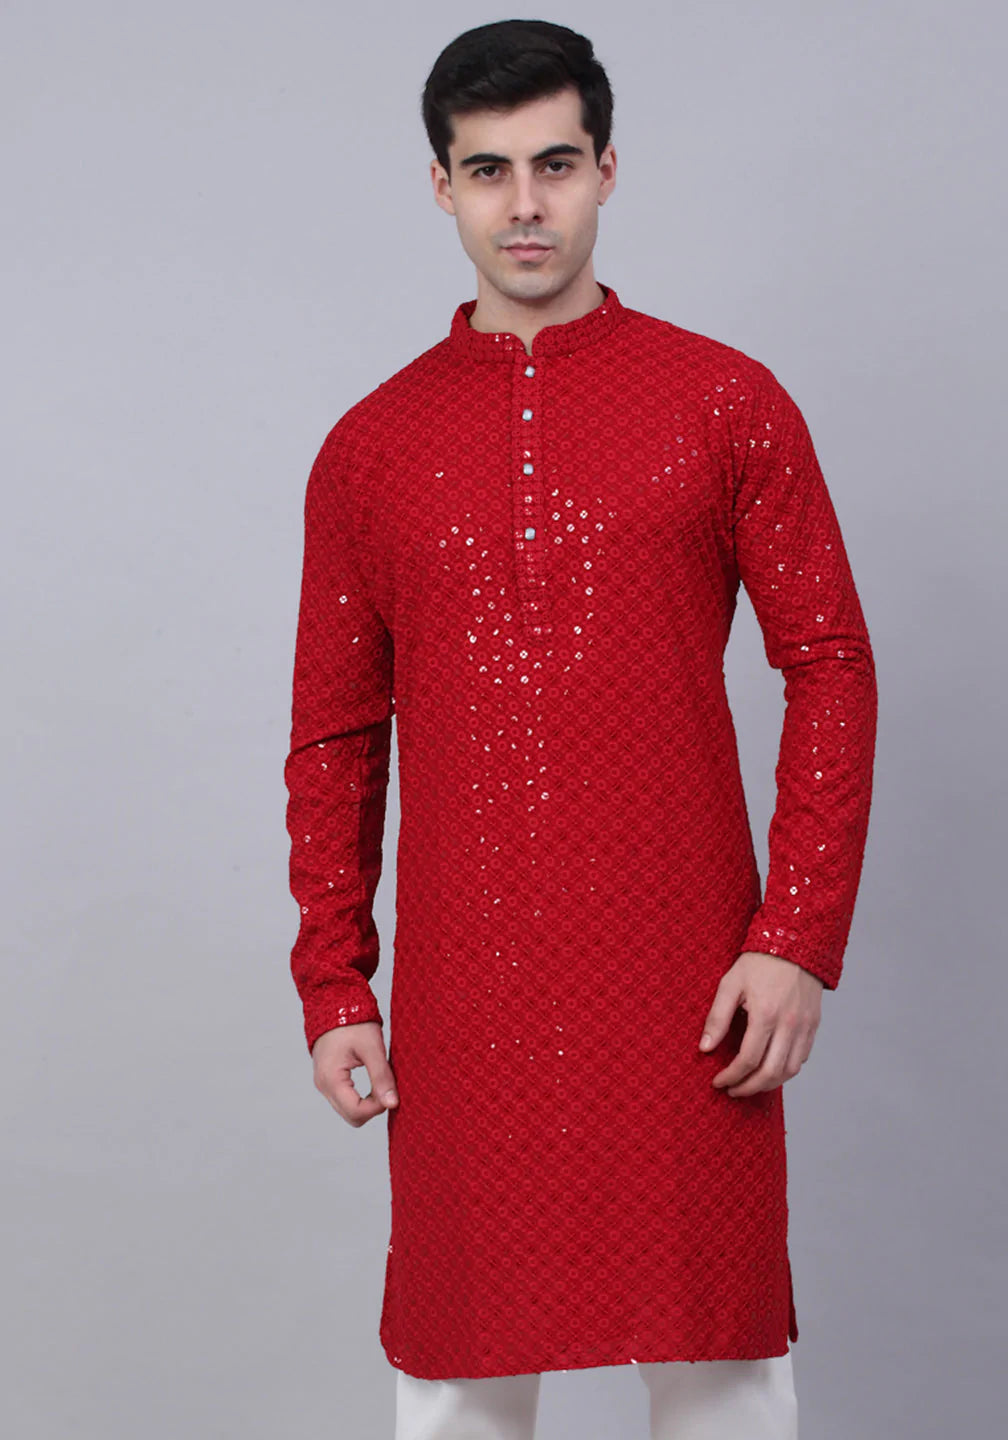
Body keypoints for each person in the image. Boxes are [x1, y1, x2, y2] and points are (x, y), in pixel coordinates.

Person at [283, 19, 877, 1440]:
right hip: (466, 997)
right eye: (489, 171)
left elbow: (831, 664)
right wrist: (335, 982)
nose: (526, 204)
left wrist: (798, 936)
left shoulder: (724, 402)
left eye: (555, 163)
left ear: (608, 169)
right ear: (442, 186)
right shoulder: (372, 448)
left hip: (691, 983)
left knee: (723, 1376)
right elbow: (335, 738)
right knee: (457, 1385)